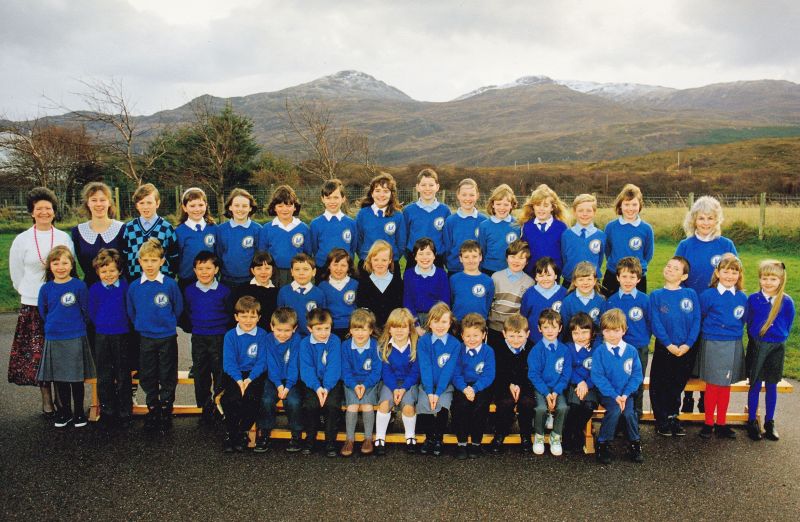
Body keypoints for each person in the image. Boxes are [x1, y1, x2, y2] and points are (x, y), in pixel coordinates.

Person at [8, 187, 73, 416]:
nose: (44, 212)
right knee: (39, 353)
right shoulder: (22, 239)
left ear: (54, 212)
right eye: (39, 209)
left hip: (59, 304)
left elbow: (70, 269)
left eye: (48, 208)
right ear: (32, 212)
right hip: (33, 303)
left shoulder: (63, 237)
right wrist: (29, 293)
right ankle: (46, 400)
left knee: (59, 351)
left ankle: (61, 398)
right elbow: (16, 273)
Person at [675, 196, 738, 414]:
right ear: (694, 220)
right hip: (690, 306)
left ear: (717, 220)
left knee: (709, 353)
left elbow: (733, 274)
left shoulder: (726, 245)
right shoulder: (685, 245)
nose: (705, 223)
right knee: (690, 351)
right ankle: (688, 396)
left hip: (716, 309)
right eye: (701, 218)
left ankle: (705, 397)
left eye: (710, 218)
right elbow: (676, 274)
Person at [126, 238, 183, 432]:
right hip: (145, 337)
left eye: (153, 260)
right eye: (146, 260)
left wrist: (166, 325)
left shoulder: (169, 285)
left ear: (162, 261)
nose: (149, 265)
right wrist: (144, 326)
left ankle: (166, 408)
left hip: (166, 336)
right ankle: (153, 407)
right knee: (148, 373)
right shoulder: (134, 286)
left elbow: (178, 308)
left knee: (167, 373)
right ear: (139, 261)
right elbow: (131, 311)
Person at [37, 246, 94, 428]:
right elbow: (43, 312)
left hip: (76, 335)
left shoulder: (79, 285)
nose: (60, 267)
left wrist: (75, 326)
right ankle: (65, 413)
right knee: (60, 378)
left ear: (72, 265)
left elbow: (86, 311)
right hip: (55, 337)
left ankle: (79, 413)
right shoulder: (46, 289)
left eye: (65, 262)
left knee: (76, 378)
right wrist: (55, 327)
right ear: (49, 267)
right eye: (56, 263)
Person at [648, 256, 700, 437]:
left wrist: (687, 344)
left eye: (676, 268)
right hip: (665, 348)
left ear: (684, 276)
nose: (670, 269)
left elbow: (696, 321)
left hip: (685, 349)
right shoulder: (656, 295)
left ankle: (673, 416)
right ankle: (661, 419)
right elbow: (655, 322)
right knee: (660, 383)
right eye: (668, 266)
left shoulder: (690, 294)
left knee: (677, 383)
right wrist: (668, 344)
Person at [697, 254, 747, 440]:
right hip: (712, 343)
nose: (729, 276)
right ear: (717, 273)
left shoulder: (742, 297)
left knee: (725, 385)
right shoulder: (708, 295)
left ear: (739, 275)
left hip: (732, 343)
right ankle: (708, 423)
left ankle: (722, 423)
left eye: (734, 272)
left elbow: (742, 320)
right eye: (725, 271)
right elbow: (701, 317)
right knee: (712, 385)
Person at [745, 260, 795, 442]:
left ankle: (769, 422)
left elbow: (788, 323)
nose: (768, 282)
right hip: (758, 345)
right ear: (759, 279)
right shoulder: (753, 299)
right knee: (756, 384)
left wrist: (777, 337)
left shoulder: (786, 301)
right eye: (765, 278)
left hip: (776, 347)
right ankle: (752, 421)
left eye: (773, 278)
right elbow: (749, 322)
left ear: (780, 280)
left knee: (772, 385)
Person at [183, 251, 231, 424]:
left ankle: (219, 405)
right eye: (200, 268)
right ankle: (206, 406)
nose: (204, 272)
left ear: (216, 269)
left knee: (219, 371)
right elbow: (187, 312)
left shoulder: (224, 291)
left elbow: (228, 312)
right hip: (199, 337)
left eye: (208, 268)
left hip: (219, 336)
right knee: (201, 372)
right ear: (195, 270)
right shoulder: (189, 291)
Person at [591, 309, 644, 464]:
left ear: (624, 330)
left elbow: (636, 376)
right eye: (607, 331)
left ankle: (634, 443)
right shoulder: (600, 352)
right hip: (608, 394)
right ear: (602, 332)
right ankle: (603, 443)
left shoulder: (631, 351)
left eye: (616, 330)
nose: (612, 335)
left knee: (628, 413)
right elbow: (598, 377)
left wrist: (625, 394)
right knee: (614, 410)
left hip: (626, 394)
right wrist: (615, 396)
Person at [88, 248, 132, 430]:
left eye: (112, 271)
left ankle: (124, 412)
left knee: (123, 374)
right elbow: (91, 312)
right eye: (103, 271)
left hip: (121, 334)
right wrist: (101, 324)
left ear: (119, 271)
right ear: (98, 272)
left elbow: (130, 309)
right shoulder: (95, 289)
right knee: (104, 375)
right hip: (102, 335)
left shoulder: (124, 287)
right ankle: (107, 412)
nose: (108, 275)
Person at [604, 257, 651, 419]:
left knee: (636, 382)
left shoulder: (645, 300)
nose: (628, 281)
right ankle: (618, 416)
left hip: (639, 348)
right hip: (617, 348)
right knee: (618, 382)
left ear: (639, 279)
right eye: (624, 276)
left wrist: (643, 339)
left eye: (632, 277)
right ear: (617, 278)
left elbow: (651, 323)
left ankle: (635, 416)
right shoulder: (611, 301)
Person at [220, 296, 268, 453]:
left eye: (252, 316)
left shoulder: (262, 335)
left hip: (254, 374)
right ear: (236, 317)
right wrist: (239, 380)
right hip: (235, 374)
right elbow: (229, 363)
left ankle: (242, 432)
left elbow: (261, 362)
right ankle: (230, 432)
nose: (248, 320)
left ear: (259, 318)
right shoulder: (230, 336)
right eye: (244, 316)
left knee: (252, 398)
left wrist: (249, 379)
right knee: (231, 399)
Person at [416, 303, 460, 457]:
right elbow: (425, 367)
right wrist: (429, 392)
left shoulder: (455, 344)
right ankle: (429, 438)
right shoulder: (424, 341)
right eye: (436, 321)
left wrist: (438, 391)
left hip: (445, 385)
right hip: (427, 384)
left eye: (444, 322)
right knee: (423, 403)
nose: (440, 326)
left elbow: (449, 371)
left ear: (450, 323)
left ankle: (439, 439)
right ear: (429, 323)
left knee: (442, 405)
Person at [299, 308, 344, 457]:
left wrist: (327, 387)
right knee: (310, 405)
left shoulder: (335, 341)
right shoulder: (305, 344)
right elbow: (306, 369)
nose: (323, 332)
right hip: (313, 382)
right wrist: (318, 388)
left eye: (327, 328)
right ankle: (310, 439)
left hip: (332, 382)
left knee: (332, 405)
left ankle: (330, 442)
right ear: (309, 328)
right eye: (318, 329)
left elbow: (334, 366)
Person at [257, 307, 303, 453]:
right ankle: (264, 433)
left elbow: (294, 365)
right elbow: (271, 365)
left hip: (292, 380)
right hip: (274, 379)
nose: (282, 335)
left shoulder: (297, 340)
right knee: (266, 400)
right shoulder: (268, 339)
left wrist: (288, 386)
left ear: (294, 328)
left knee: (294, 401)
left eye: (287, 331)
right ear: (272, 327)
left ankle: (296, 435)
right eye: (279, 330)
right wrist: (278, 386)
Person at [375, 308, 420, 455]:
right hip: (390, 383)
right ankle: (380, 437)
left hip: (409, 383)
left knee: (408, 407)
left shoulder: (415, 346)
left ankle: (410, 437)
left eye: (403, 327)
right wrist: (394, 388)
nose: (399, 331)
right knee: (384, 404)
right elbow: (386, 372)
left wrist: (404, 388)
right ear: (389, 329)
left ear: (410, 329)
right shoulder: (384, 346)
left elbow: (415, 372)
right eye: (395, 327)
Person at [488, 314, 534, 455]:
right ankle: (500, 434)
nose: (516, 340)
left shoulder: (532, 348)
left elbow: (532, 372)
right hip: (503, 384)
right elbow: (498, 372)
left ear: (527, 334)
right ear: (504, 334)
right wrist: (509, 384)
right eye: (512, 336)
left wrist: (519, 385)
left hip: (524, 385)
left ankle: (525, 435)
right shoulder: (498, 348)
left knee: (527, 402)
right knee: (506, 402)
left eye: (520, 336)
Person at [528, 309, 571, 457]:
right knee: (540, 408)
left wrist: (555, 392)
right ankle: (539, 436)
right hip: (541, 388)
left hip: (557, 388)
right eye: (545, 327)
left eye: (553, 327)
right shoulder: (536, 350)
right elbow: (533, 375)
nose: (550, 331)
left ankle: (555, 437)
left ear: (560, 328)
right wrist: (547, 393)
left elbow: (566, 375)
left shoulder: (565, 350)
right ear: (539, 329)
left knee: (563, 407)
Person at [452, 313, 495, 459]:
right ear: (462, 336)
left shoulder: (488, 351)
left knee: (481, 406)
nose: (471, 339)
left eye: (476, 335)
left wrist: (475, 389)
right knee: (461, 405)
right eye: (468, 336)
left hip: (481, 385)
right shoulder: (458, 350)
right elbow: (456, 374)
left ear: (483, 335)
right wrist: (465, 389)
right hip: (463, 385)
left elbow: (488, 375)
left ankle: (476, 443)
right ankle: (462, 443)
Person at [340, 309, 382, 457]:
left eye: (363, 329)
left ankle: (368, 439)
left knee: (367, 405)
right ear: (351, 330)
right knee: (352, 405)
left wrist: (364, 385)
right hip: (351, 382)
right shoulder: (345, 346)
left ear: (370, 330)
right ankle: (349, 440)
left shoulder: (375, 346)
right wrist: (354, 385)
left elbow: (376, 371)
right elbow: (345, 371)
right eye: (356, 329)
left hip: (369, 382)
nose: (360, 333)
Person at [602, 184, 653, 296]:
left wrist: (636, 269)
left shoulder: (646, 229)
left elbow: (648, 254)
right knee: (610, 310)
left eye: (634, 204)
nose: (630, 208)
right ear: (620, 205)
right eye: (626, 204)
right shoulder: (611, 227)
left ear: (640, 205)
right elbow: (608, 251)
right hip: (613, 275)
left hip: (636, 277)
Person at [71, 181, 125, 287]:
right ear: (88, 203)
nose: (98, 204)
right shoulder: (77, 232)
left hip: (118, 290)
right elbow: (78, 266)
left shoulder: (122, 229)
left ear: (109, 202)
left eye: (103, 200)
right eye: (94, 200)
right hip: (90, 290)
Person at [122, 183, 178, 280]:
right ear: (136, 205)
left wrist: (169, 277)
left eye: (149, 203)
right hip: (136, 281)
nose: (145, 207)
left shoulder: (166, 228)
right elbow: (125, 256)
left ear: (157, 203)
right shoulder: (129, 228)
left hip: (161, 281)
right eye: (141, 203)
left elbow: (174, 257)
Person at [259, 185, 311, 288]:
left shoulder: (303, 228)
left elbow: (308, 253)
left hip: (297, 273)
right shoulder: (267, 229)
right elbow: (262, 254)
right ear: (274, 207)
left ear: (295, 207)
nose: (285, 209)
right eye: (280, 206)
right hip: (274, 273)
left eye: (288, 205)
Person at [487, 240, 534, 349]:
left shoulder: (530, 282)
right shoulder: (496, 277)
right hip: (495, 328)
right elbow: (489, 303)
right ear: (507, 258)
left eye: (521, 258)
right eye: (513, 257)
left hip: (515, 332)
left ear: (527, 262)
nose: (516, 261)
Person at [563, 312, 599, 453]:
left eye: (584, 332)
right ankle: (567, 435)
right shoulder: (568, 348)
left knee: (588, 406)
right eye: (576, 333)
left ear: (592, 332)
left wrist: (587, 384)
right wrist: (579, 382)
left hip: (591, 384)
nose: (580, 337)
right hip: (574, 384)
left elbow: (598, 371)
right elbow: (567, 369)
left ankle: (577, 431)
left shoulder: (596, 348)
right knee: (574, 406)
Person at [355, 172, 406, 270]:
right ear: (372, 193)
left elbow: (401, 243)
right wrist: (366, 257)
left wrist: (392, 259)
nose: (381, 195)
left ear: (391, 195)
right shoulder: (363, 214)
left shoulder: (398, 216)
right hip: (367, 264)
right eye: (377, 190)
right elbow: (358, 240)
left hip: (390, 265)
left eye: (386, 191)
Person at [403, 168, 450, 268]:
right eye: (423, 185)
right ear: (417, 187)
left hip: (437, 258)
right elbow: (404, 236)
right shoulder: (408, 210)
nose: (427, 188)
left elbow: (447, 237)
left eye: (431, 185)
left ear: (437, 187)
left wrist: (442, 254)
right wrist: (411, 254)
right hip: (414, 258)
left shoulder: (444, 210)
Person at [174, 187, 218, 294]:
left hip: (209, 280)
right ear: (184, 208)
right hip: (187, 280)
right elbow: (176, 258)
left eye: (201, 205)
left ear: (206, 206)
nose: (197, 209)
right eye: (192, 206)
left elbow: (217, 253)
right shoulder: (179, 231)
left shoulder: (214, 228)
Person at [216, 188, 261, 290]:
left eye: (245, 206)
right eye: (236, 205)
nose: (240, 209)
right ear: (230, 207)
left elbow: (259, 255)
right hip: (226, 280)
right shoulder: (221, 230)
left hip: (251, 280)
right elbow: (218, 254)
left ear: (250, 208)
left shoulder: (257, 229)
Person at [519, 183, 569, 276]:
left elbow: (565, 252)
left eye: (546, 205)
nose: (541, 209)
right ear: (533, 206)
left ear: (552, 207)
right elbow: (523, 251)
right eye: (538, 205)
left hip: (552, 276)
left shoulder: (561, 227)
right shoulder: (526, 226)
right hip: (530, 274)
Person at [310, 179, 357, 269]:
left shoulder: (351, 223)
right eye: (328, 198)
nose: (332, 201)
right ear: (322, 199)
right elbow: (314, 249)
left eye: (336, 197)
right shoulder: (315, 224)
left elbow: (352, 248)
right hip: (322, 268)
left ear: (343, 199)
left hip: (344, 269)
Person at [403, 238, 450, 330]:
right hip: (414, 318)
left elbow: (444, 301)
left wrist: (433, 323)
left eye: (428, 254)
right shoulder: (409, 274)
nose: (425, 258)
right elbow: (408, 301)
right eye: (420, 254)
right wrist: (415, 325)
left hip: (435, 319)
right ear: (415, 257)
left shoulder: (441, 274)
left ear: (434, 256)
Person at [355, 240, 403, 330]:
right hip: (372, 330)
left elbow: (399, 308)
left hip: (393, 330)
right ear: (370, 260)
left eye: (384, 260)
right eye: (376, 260)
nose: (379, 263)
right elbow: (362, 307)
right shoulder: (364, 283)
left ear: (390, 260)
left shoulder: (398, 283)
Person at [443, 178, 487, 275]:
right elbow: (446, 247)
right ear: (458, 195)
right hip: (455, 269)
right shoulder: (450, 221)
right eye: (464, 195)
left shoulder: (484, 221)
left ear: (477, 196)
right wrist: (451, 264)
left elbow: (484, 247)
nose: (468, 198)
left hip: (478, 270)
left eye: (471, 195)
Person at [561, 193, 605, 289]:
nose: (585, 214)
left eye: (589, 211)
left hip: (592, 282)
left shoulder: (600, 235)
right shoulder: (566, 235)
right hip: (570, 281)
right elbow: (564, 257)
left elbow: (600, 259)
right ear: (574, 212)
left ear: (594, 212)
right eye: (580, 210)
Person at [520, 257, 567, 344]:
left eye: (549, 275)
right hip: (533, 340)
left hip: (558, 341)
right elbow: (523, 316)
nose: (545, 279)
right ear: (536, 277)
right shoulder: (529, 293)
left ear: (556, 276)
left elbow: (566, 318)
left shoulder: (564, 293)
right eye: (541, 276)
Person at [276, 253, 326, 336]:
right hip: (289, 337)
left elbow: (322, 319)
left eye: (305, 269)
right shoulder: (284, 291)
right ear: (291, 272)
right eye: (297, 269)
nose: (301, 273)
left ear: (314, 272)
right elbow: (279, 317)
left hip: (312, 337)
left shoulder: (319, 293)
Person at [228, 251, 278, 332]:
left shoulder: (277, 292)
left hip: (267, 336)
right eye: (259, 268)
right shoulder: (241, 290)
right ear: (252, 270)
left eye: (267, 268)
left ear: (273, 270)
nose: (263, 272)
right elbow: (232, 315)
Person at [477, 184, 519, 275]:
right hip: (489, 270)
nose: (502, 208)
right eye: (498, 204)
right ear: (492, 204)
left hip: (511, 270)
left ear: (512, 205)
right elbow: (482, 250)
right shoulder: (484, 226)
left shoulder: (517, 225)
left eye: (506, 204)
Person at [317, 249, 360, 340]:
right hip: (330, 328)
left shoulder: (355, 284)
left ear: (348, 267)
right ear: (329, 266)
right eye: (335, 265)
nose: (339, 269)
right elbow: (322, 311)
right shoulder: (322, 286)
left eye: (343, 265)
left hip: (351, 327)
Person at [450, 240, 494, 321]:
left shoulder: (488, 280)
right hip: (458, 322)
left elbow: (488, 303)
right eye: (466, 257)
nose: (471, 260)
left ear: (480, 257)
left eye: (474, 256)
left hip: (479, 323)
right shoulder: (454, 279)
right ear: (460, 259)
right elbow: (452, 300)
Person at [559, 261, 605, 336]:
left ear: (595, 281)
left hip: (595, 344)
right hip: (574, 343)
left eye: (589, 279)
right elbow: (565, 329)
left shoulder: (601, 301)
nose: (585, 283)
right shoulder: (567, 302)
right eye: (581, 280)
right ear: (575, 282)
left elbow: (603, 328)